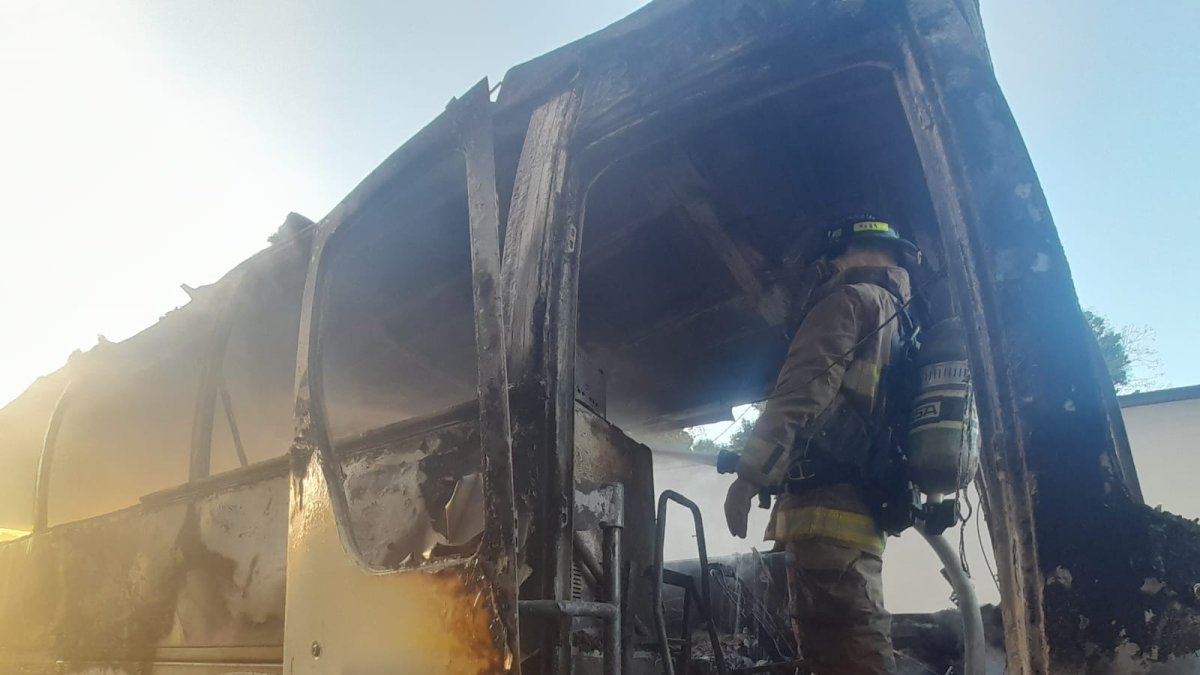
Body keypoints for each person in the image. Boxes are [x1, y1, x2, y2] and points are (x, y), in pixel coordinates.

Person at [723, 216, 919, 675]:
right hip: (862, 514)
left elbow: (802, 392)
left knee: (848, 650)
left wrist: (749, 476)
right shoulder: (901, 320)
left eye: (832, 258)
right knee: (850, 641)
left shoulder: (849, 302)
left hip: (824, 514)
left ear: (847, 251)